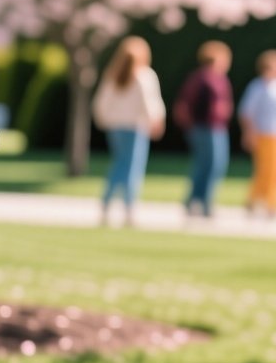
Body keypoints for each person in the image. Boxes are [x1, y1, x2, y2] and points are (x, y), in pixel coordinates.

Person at [92, 36, 166, 228]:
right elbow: (150, 102)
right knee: (132, 168)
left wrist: (103, 119)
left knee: (119, 165)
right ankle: (129, 207)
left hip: (116, 127)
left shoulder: (113, 75)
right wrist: (155, 121)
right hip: (135, 127)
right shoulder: (144, 75)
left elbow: (101, 103)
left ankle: (107, 202)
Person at [173, 40, 233, 219]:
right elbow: (185, 104)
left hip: (218, 127)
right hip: (202, 127)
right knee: (207, 165)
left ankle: (199, 200)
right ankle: (200, 202)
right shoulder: (201, 78)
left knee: (214, 165)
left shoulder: (220, 78)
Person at [238, 49, 276, 218]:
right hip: (263, 133)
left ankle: (271, 202)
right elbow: (247, 112)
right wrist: (249, 133)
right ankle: (258, 201)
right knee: (266, 170)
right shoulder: (257, 86)